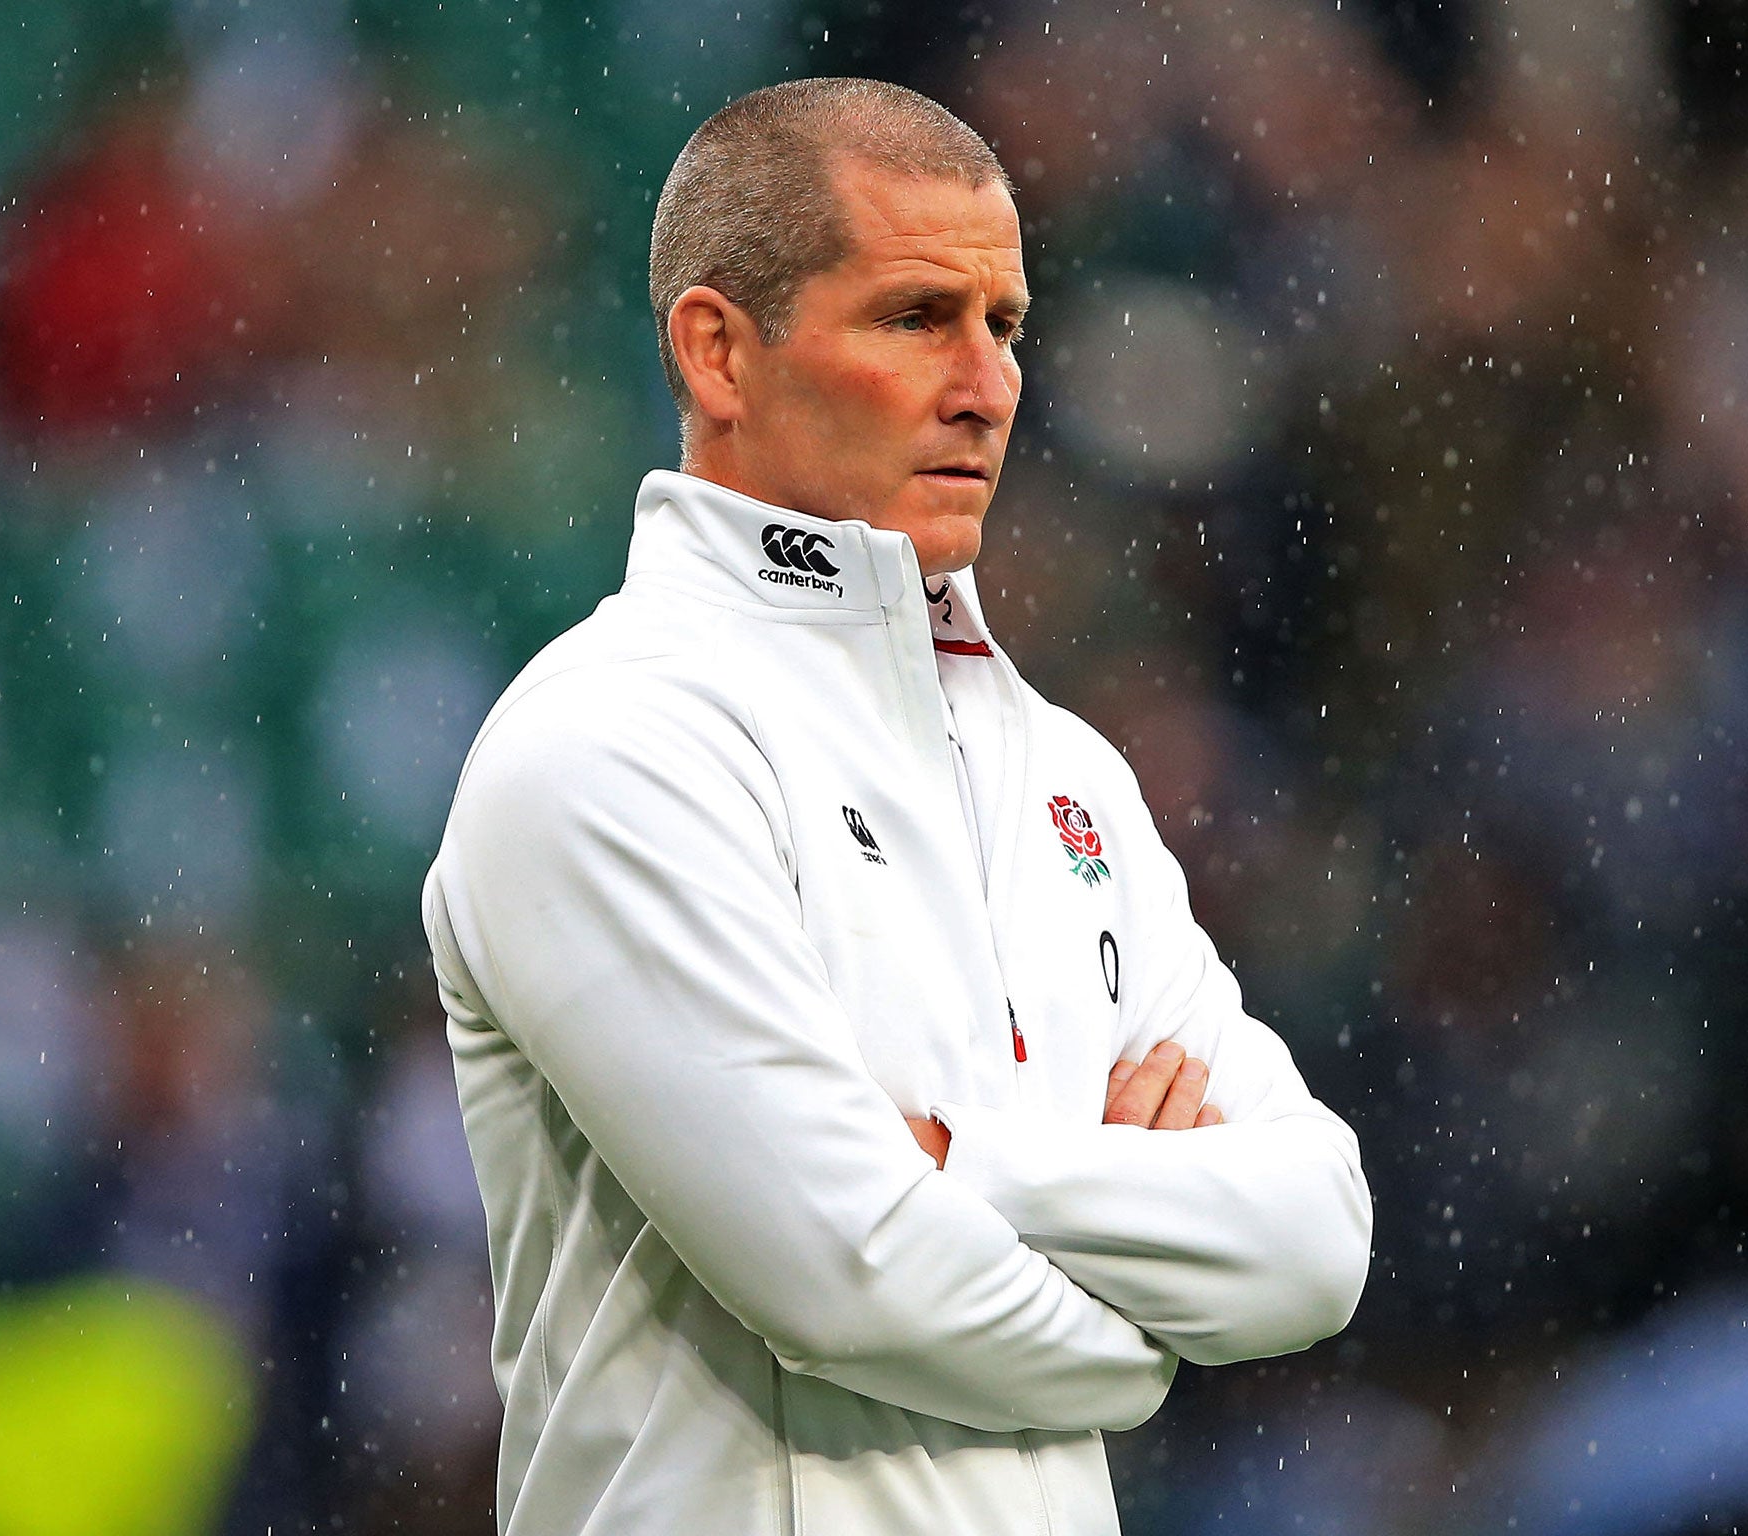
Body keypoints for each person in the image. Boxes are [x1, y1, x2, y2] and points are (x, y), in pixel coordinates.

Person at [422, 77, 1371, 1536]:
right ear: (719, 352)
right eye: (920, 317)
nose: (986, 383)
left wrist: (964, 1165)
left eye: (1006, 327)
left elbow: (1316, 1243)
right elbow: (848, 1272)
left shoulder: (1068, 780)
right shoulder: (610, 745)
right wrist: (1147, 1322)